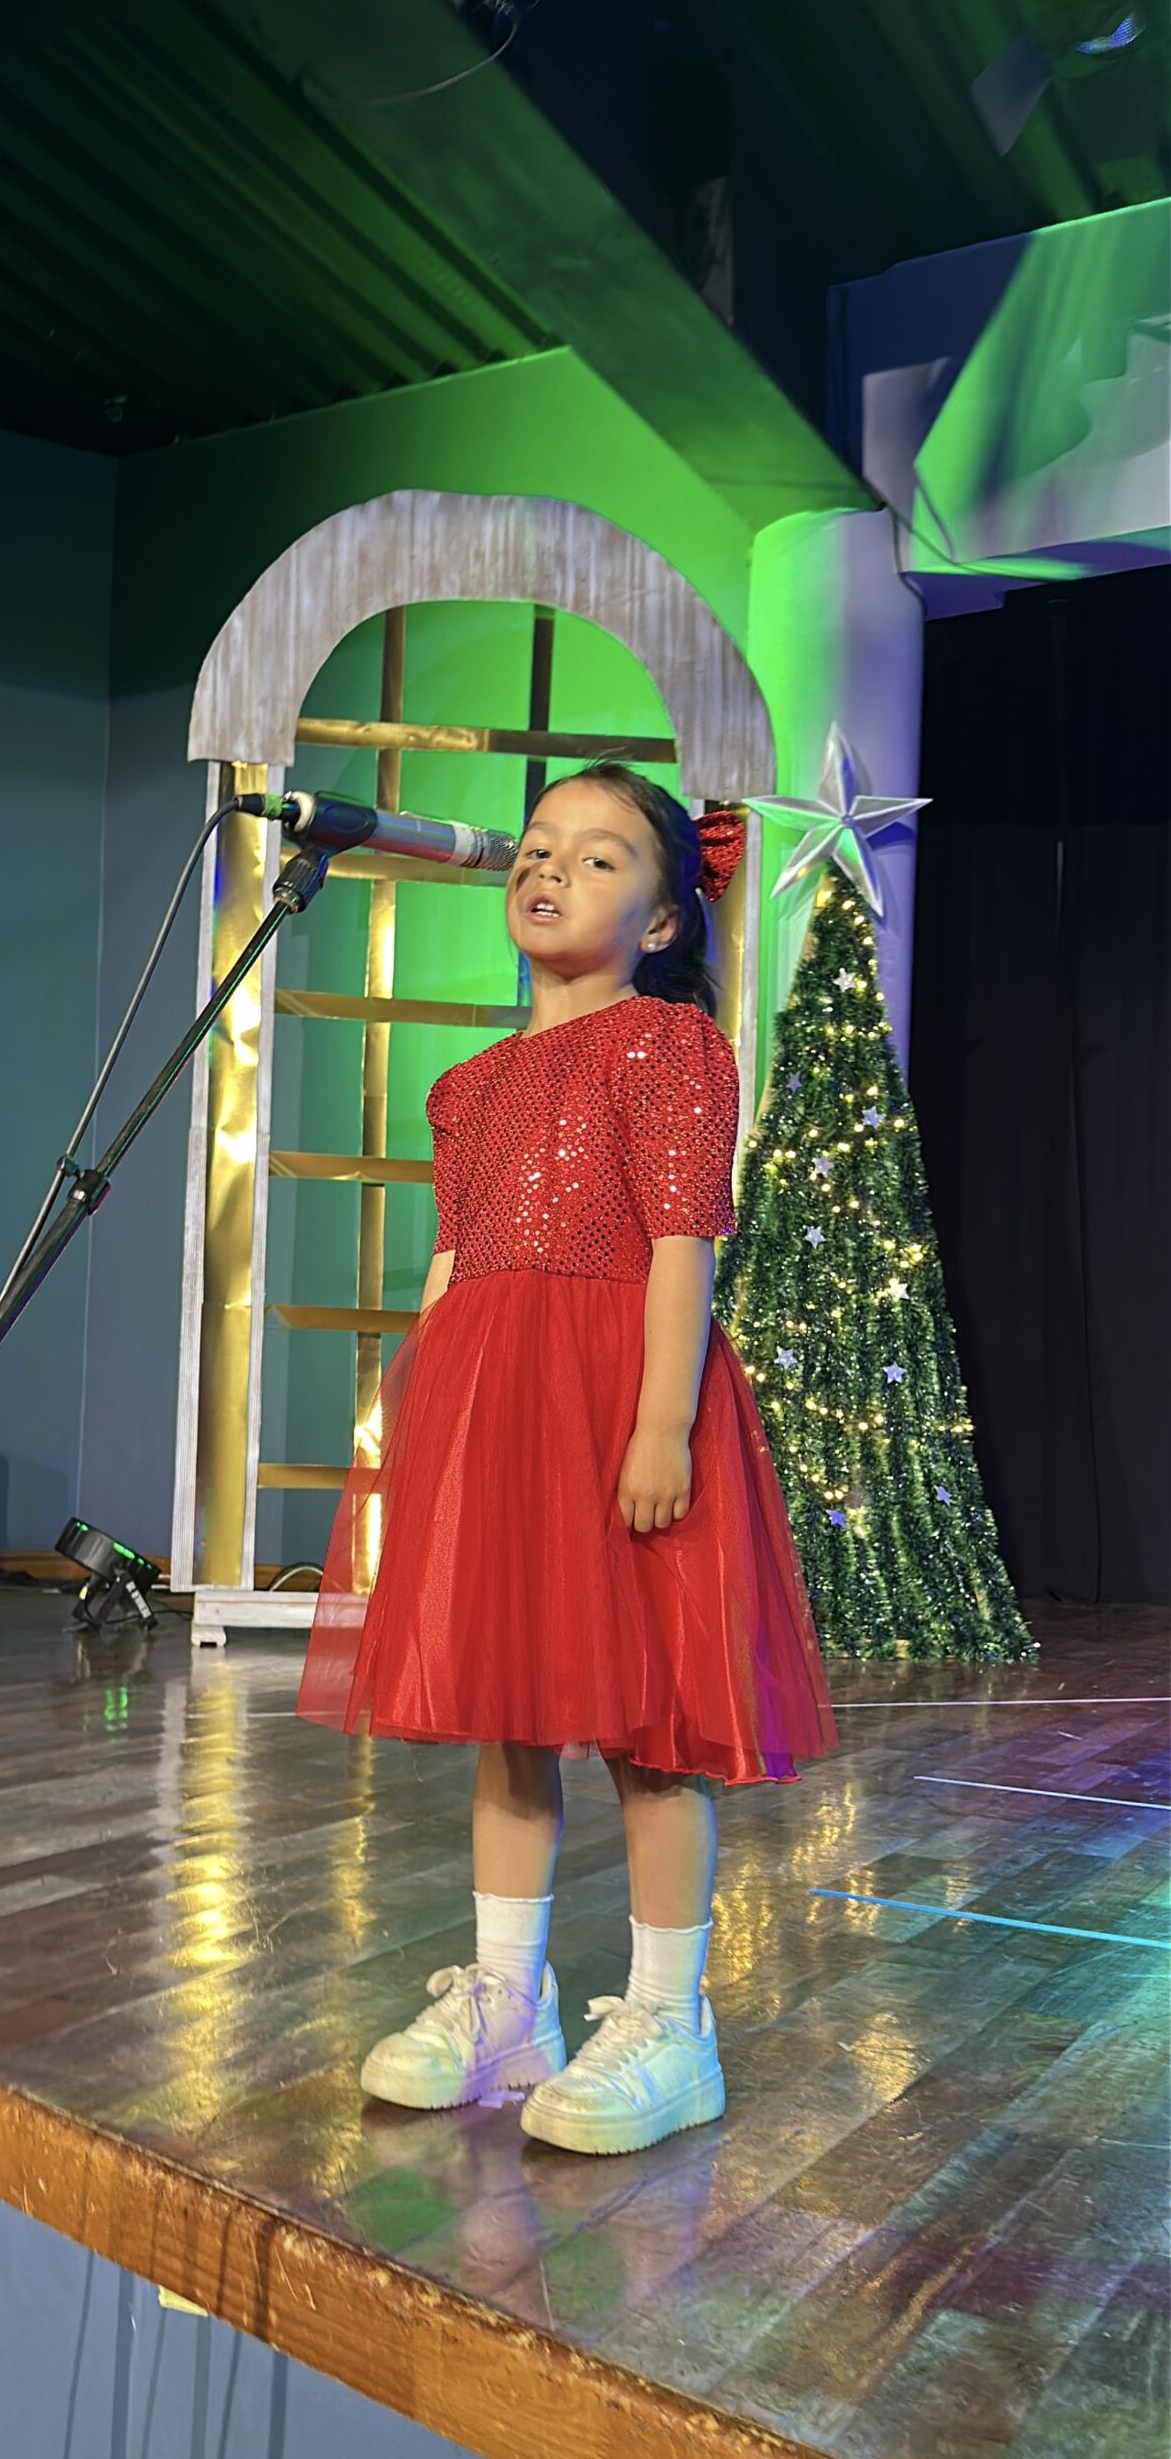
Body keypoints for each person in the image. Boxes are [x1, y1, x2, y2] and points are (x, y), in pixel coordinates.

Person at [298, 764, 836, 2155]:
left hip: (622, 1403)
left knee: (653, 1729)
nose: (551, 870)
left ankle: (669, 2022)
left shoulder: (668, 1049)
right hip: (501, 1419)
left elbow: (680, 1247)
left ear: (661, 921)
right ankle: (505, 2003)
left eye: (600, 859)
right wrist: (425, 1428)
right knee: (511, 1716)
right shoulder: (468, 1086)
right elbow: (456, 1264)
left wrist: (661, 1423)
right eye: (540, 849)